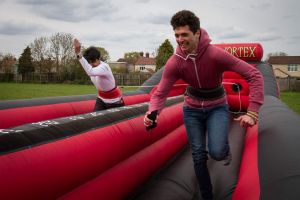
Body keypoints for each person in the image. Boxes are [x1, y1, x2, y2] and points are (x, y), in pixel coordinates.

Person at [143, 10, 264, 200]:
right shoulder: (175, 62)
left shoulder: (215, 55)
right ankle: (207, 195)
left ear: (197, 33)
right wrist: (152, 112)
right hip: (192, 110)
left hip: (217, 106)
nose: (180, 40)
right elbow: (160, 92)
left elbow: (254, 75)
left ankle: (223, 150)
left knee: (216, 152)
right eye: (176, 35)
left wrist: (253, 111)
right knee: (198, 155)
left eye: (184, 34)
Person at [73, 39, 124, 111]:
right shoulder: (92, 67)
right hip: (101, 99)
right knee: (95, 119)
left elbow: (90, 72)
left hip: (114, 101)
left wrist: (78, 53)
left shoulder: (104, 67)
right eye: (89, 62)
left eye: (93, 61)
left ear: (99, 59)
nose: (91, 64)